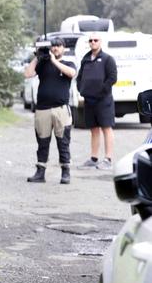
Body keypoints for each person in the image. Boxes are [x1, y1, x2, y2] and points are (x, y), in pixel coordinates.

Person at [24, 37, 76, 184]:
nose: (55, 48)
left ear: (64, 48)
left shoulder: (68, 63)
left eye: (58, 46)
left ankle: (65, 172)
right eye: (53, 46)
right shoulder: (43, 64)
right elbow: (27, 74)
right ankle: (40, 172)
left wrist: (54, 60)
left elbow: (71, 73)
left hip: (61, 110)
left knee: (63, 142)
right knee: (42, 141)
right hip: (42, 109)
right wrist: (37, 57)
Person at [76, 33, 118, 170]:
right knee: (94, 129)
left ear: (100, 42)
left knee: (106, 128)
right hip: (89, 100)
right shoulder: (86, 59)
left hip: (103, 100)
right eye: (90, 40)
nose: (93, 42)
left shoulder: (107, 59)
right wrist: (81, 89)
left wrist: (102, 91)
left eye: (95, 40)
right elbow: (79, 76)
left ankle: (108, 159)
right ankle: (94, 158)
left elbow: (112, 78)